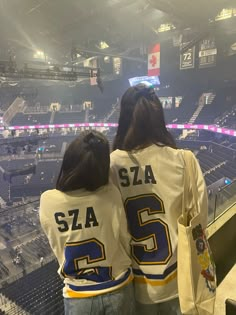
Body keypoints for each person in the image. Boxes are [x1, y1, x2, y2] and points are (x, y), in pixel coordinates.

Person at [110, 84, 208, 315]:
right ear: (158, 116)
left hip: (135, 284)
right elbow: (199, 221)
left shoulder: (111, 165)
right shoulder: (183, 160)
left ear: (124, 118)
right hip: (179, 280)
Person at [39, 130, 135, 315]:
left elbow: (56, 243)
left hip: (78, 295)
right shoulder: (111, 194)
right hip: (117, 287)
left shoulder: (48, 200)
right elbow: (124, 239)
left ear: (69, 161)